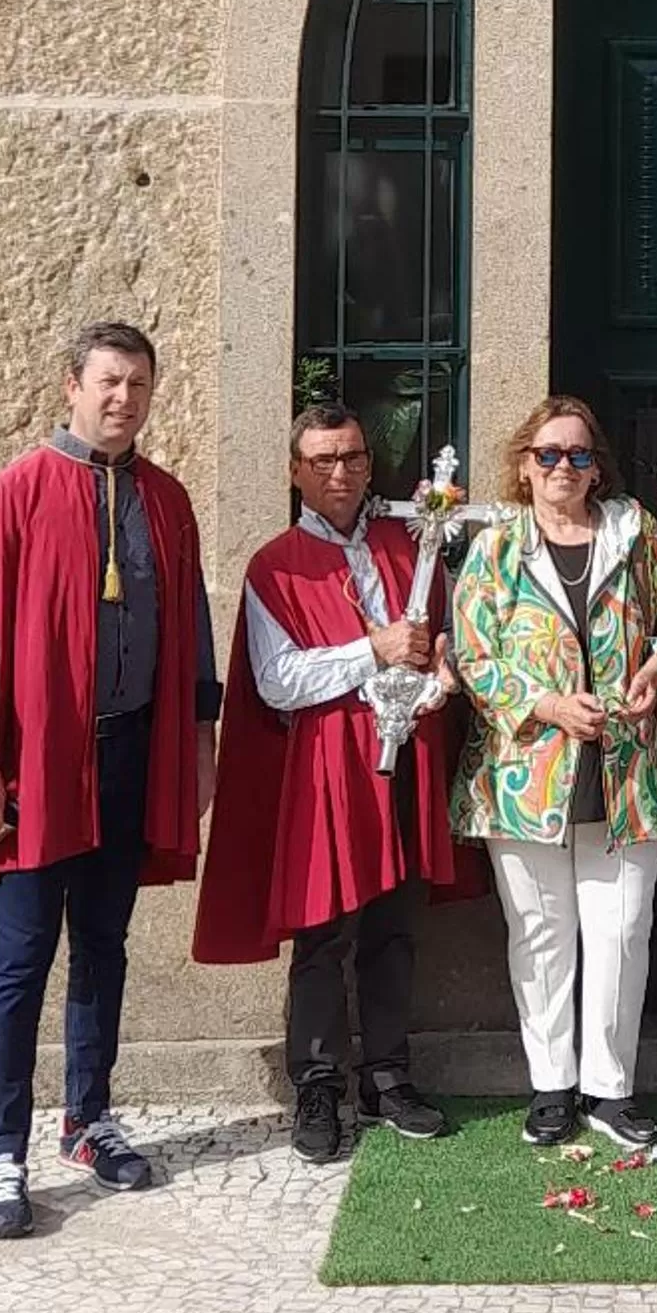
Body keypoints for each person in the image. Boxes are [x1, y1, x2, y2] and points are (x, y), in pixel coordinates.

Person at [0, 320, 218, 1240]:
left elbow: (189, 633)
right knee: (21, 959)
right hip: (34, 768)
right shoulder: (12, 495)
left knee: (104, 947)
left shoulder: (167, 502)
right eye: (109, 382)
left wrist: (199, 746)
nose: (123, 400)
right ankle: (2, 1152)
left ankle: (90, 1118)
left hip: (129, 754)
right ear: (71, 386)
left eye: (140, 386)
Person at [192, 406, 483, 1161]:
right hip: (328, 765)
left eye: (351, 457)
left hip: (409, 752)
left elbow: (443, 637)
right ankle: (317, 1082)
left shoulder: (406, 546)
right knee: (325, 930)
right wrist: (374, 650)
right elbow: (279, 679)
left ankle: (387, 1077)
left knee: (396, 923)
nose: (340, 473)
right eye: (321, 460)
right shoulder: (275, 565)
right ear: (295, 470)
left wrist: (442, 670)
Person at [447, 395, 657, 1152]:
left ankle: (610, 1087)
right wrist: (547, 704)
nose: (565, 467)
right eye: (550, 455)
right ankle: (551, 1085)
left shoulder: (636, 534)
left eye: (580, 454)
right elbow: (472, 655)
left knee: (622, 931)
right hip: (527, 771)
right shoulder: (496, 549)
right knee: (541, 933)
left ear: (599, 468)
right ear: (524, 466)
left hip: (627, 770)